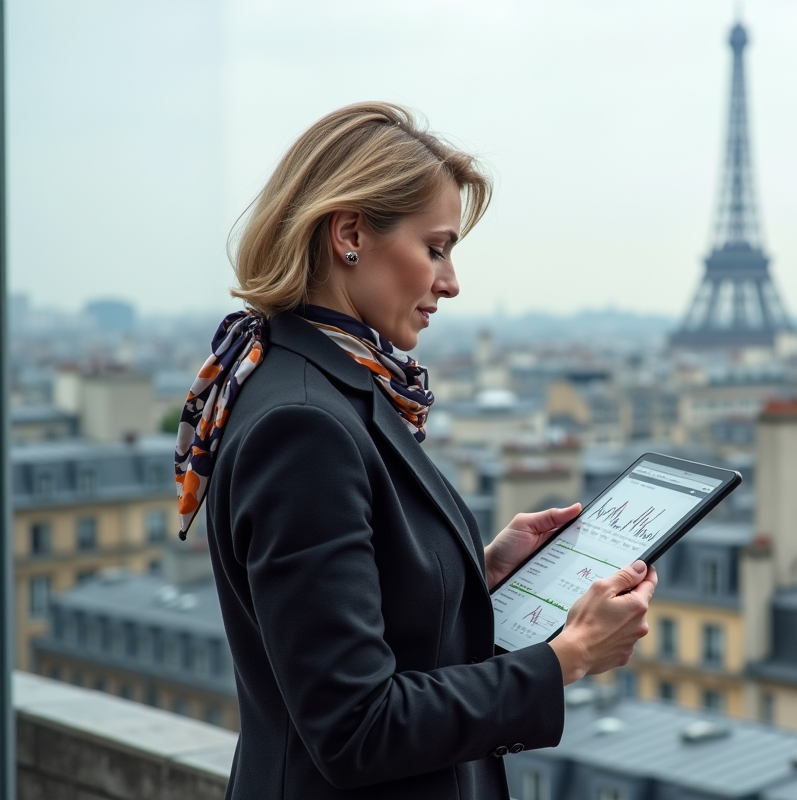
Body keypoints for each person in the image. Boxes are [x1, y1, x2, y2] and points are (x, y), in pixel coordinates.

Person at [174, 102, 657, 799]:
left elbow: (360, 619)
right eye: (435, 247)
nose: (451, 281)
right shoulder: (305, 424)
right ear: (348, 235)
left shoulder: (309, 381)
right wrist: (567, 659)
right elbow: (354, 725)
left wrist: (478, 574)